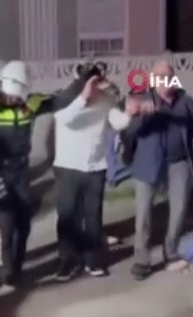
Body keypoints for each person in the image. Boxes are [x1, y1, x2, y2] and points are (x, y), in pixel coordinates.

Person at [0, 61, 86, 286]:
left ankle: (16, 267)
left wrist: (81, 78)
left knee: (24, 221)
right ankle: (7, 271)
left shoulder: (32, 103)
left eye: (17, 97)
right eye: (9, 96)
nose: (13, 101)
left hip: (20, 171)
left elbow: (61, 100)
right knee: (8, 221)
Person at [50, 76, 134, 281]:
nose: (97, 87)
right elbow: (64, 119)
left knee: (93, 218)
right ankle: (67, 261)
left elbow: (118, 123)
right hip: (68, 167)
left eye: (99, 82)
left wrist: (130, 113)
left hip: (96, 167)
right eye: (92, 82)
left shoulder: (106, 100)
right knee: (68, 218)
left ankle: (94, 260)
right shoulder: (66, 99)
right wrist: (83, 98)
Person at [124, 60, 193, 281]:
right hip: (148, 163)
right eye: (160, 76)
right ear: (153, 80)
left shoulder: (186, 101)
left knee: (179, 209)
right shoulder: (141, 101)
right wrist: (136, 116)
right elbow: (129, 133)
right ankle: (142, 260)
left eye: (168, 76)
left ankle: (171, 253)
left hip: (179, 162)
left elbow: (192, 129)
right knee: (144, 213)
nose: (165, 80)